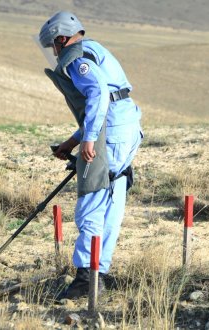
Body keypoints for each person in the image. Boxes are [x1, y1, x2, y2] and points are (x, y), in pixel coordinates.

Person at [36, 11, 143, 299]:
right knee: (112, 196)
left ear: (60, 40)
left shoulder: (77, 59)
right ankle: (98, 273)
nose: (54, 53)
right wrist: (72, 142)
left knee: (92, 203)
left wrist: (90, 139)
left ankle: (86, 277)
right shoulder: (94, 48)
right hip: (126, 127)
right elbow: (107, 100)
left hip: (111, 132)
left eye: (53, 47)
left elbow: (97, 94)